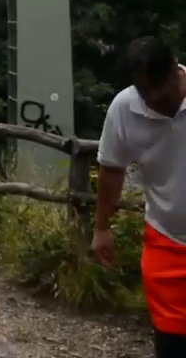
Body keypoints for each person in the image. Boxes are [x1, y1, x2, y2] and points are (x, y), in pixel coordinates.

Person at [93, 36, 186, 356]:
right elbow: (111, 170)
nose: (158, 103)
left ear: (176, 67)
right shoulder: (124, 109)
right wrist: (102, 227)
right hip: (168, 241)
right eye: (149, 98)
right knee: (173, 343)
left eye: (165, 95)